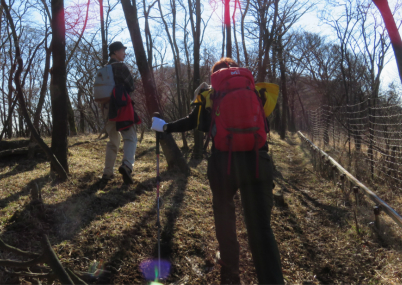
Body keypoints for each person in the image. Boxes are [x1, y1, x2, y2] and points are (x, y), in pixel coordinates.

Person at [151, 57, 284, 285]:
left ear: (215, 77)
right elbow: (265, 117)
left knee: (224, 211)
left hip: (224, 163)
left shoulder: (210, 95)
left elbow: (194, 123)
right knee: (261, 227)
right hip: (257, 160)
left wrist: (165, 126)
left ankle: (230, 259)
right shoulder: (257, 91)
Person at [101, 41, 138, 185]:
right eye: (122, 50)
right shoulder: (121, 67)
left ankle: (107, 172)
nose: (124, 53)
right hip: (122, 108)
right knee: (130, 137)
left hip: (107, 109)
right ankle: (127, 166)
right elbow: (131, 86)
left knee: (113, 140)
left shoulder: (104, 69)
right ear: (115, 52)